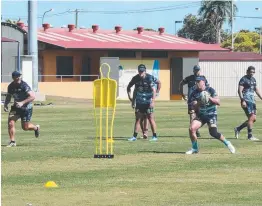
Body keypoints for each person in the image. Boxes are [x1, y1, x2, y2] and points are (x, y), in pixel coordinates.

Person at [186, 76, 235, 154]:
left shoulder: (210, 90)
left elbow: (218, 102)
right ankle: (195, 148)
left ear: (203, 82)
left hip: (211, 114)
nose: (197, 83)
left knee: (213, 133)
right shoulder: (194, 93)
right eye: (196, 82)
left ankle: (228, 143)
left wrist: (209, 98)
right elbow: (194, 107)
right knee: (192, 129)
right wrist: (200, 101)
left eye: (199, 81)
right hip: (201, 115)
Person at [4, 71, 40, 147]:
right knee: (11, 122)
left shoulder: (24, 85)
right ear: (13, 78)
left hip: (26, 108)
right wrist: (6, 104)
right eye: (17, 77)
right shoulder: (10, 86)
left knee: (25, 127)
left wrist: (22, 103)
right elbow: (8, 96)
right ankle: (12, 141)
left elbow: (32, 97)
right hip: (16, 108)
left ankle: (36, 128)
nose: (19, 78)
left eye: (19, 76)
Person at [127, 64, 161, 141]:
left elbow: (154, 89)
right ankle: (134, 137)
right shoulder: (135, 78)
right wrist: (131, 99)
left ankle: (154, 136)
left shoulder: (149, 78)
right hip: (139, 101)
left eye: (142, 71)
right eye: (140, 71)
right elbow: (129, 87)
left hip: (148, 101)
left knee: (150, 118)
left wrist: (153, 101)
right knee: (138, 119)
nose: (141, 73)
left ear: (145, 71)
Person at [179, 65, 209, 138]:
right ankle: (194, 131)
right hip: (191, 100)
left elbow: (207, 87)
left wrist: (206, 96)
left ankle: (196, 128)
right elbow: (181, 84)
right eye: (196, 70)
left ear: (200, 70)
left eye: (198, 70)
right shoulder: (189, 78)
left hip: (201, 100)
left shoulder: (203, 78)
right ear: (193, 70)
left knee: (201, 116)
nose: (197, 71)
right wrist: (182, 94)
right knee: (192, 116)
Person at [234, 66, 262, 140]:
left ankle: (238, 128)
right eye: (250, 72)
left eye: (253, 72)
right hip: (246, 100)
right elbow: (239, 90)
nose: (252, 73)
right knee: (251, 117)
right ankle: (250, 136)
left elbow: (256, 90)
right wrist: (242, 100)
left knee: (253, 119)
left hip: (252, 101)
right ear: (247, 71)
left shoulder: (253, 79)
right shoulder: (243, 79)